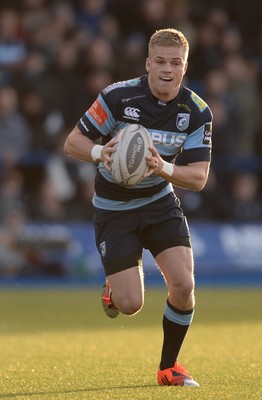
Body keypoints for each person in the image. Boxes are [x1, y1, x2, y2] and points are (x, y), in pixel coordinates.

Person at [64, 28, 213, 387]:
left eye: (175, 63)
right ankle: (114, 291)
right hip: (114, 208)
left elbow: (198, 177)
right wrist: (101, 152)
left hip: (159, 201)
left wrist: (161, 166)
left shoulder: (196, 112)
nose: (167, 69)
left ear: (184, 67)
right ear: (148, 63)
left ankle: (169, 368)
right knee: (131, 304)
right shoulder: (118, 97)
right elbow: (73, 142)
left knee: (183, 284)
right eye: (160, 61)